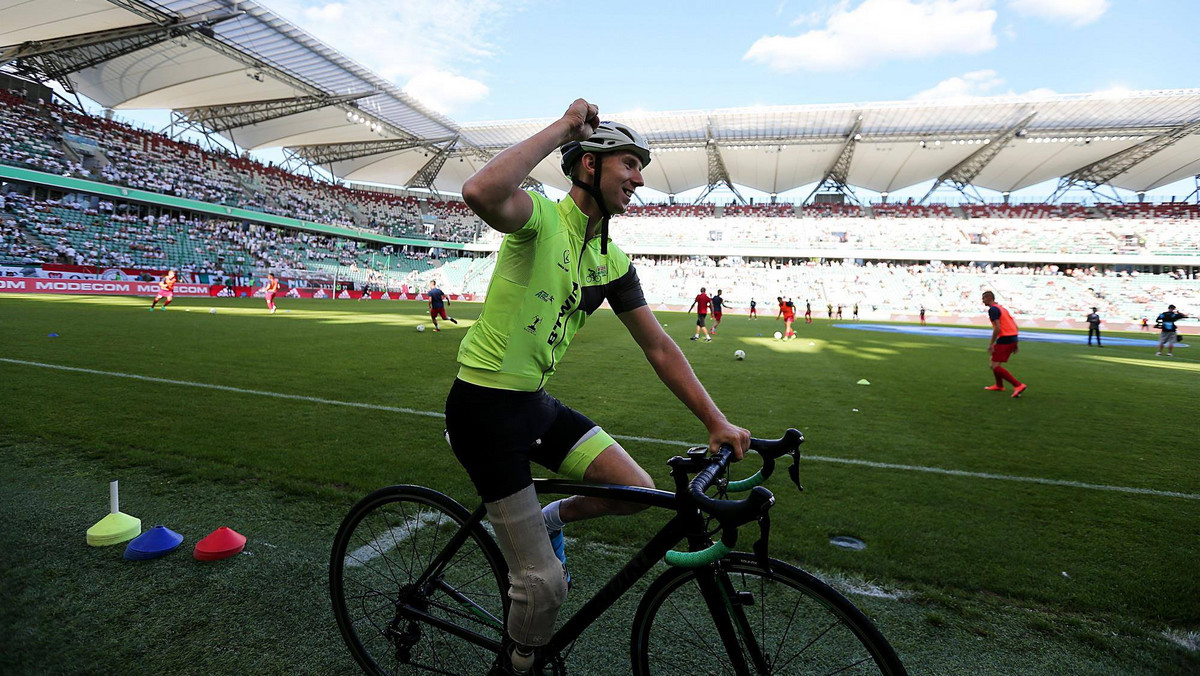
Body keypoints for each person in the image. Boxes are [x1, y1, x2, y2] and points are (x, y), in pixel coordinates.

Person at [448, 100, 750, 675]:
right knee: (543, 586)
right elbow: (480, 192)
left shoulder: (610, 257)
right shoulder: (540, 217)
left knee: (631, 489)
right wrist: (566, 127)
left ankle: (549, 519)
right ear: (588, 166)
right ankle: (514, 669)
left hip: (532, 404)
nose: (639, 178)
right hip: (484, 409)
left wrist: (715, 420)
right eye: (629, 164)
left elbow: (659, 346)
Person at [982, 291, 1026, 398]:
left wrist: (991, 344)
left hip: (1005, 339)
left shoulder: (993, 309)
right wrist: (1016, 343)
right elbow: (1014, 325)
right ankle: (999, 385)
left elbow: (997, 328)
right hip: (1012, 337)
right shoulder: (1002, 308)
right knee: (994, 362)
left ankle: (1018, 385)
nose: (982, 301)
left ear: (988, 298)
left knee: (994, 366)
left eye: (983, 298)